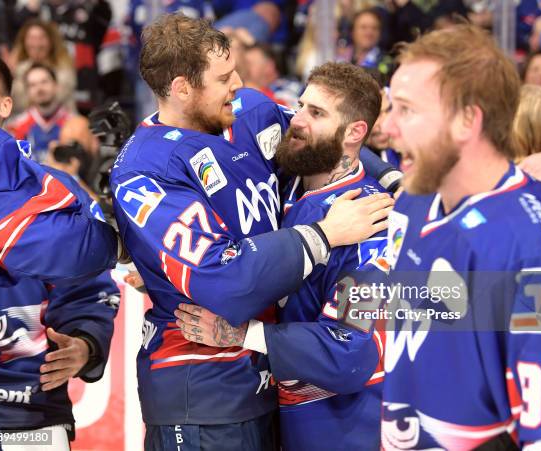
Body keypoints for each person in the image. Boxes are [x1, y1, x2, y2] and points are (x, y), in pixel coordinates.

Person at [110, 13, 391, 450]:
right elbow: (225, 282)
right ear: (184, 88)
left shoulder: (251, 112)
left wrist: (392, 181)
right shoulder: (145, 171)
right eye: (223, 77)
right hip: (202, 388)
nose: (238, 82)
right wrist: (323, 235)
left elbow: (327, 139)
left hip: (266, 384)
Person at [381, 24, 541, 448]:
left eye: (407, 110)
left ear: (466, 120)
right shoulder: (414, 202)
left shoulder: (539, 250)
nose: (388, 130)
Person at [175, 62, 388, 451]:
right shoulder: (284, 182)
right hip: (276, 415)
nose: (298, 121)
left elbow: (349, 351)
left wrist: (242, 334)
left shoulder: (373, 226)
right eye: (301, 106)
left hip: (344, 428)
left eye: (317, 113)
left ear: (356, 132)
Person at [0, 49, 119, 451]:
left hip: (31, 413)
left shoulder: (55, 190)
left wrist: (85, 345)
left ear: (7, 105)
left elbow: (91, 288)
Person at [7, 63, 73, 162]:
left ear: (56, 85)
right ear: (27, 91)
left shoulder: (74, 124)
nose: (39, 88)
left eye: (44, 82)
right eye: (33, 85)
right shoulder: (16, 127)